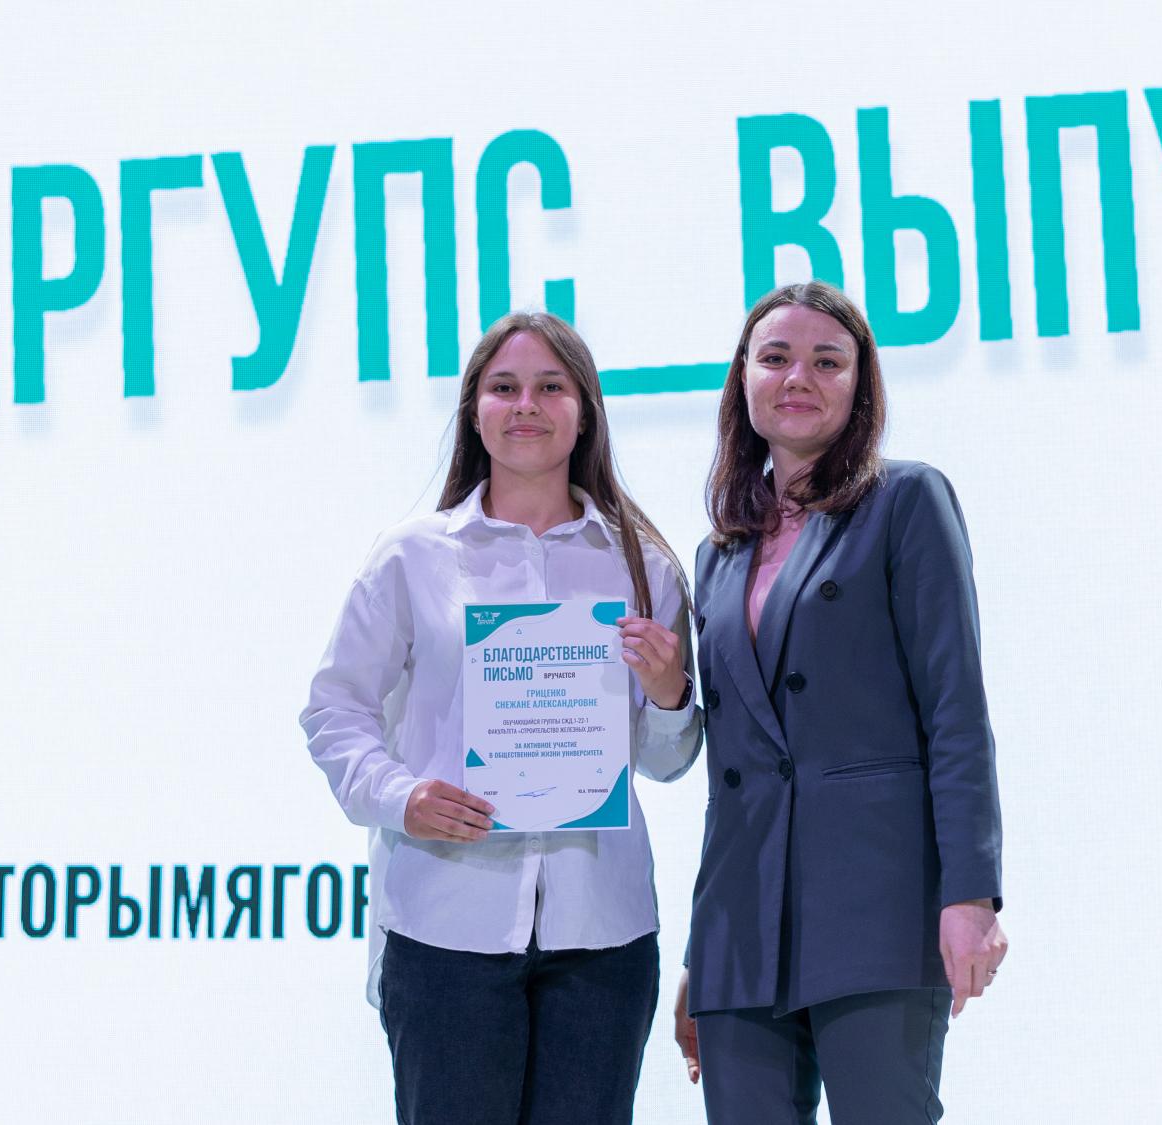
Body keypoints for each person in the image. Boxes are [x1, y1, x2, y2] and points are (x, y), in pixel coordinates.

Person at [299, 311, 701, 1125]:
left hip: (603, 936)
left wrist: (669, 692)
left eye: (551, 386)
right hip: (446, 928)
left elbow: (666, 759)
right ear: (474, 412)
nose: (527, 405)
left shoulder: (643, 564)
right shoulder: (413, 555)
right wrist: (401, 796)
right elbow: (334, 708)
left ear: (584, 412)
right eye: (504, 387)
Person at [673, 281, 1007, 1124]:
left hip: (876, 902)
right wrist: (703, 951)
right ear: (743, 380)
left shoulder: (906, 501)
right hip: (743, 926)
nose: (799, 378)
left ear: (860, 385)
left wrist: (971, 893)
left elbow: (955, 711)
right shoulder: (718, 553)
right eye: (776, 358)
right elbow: (733, 769)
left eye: (827, 361)